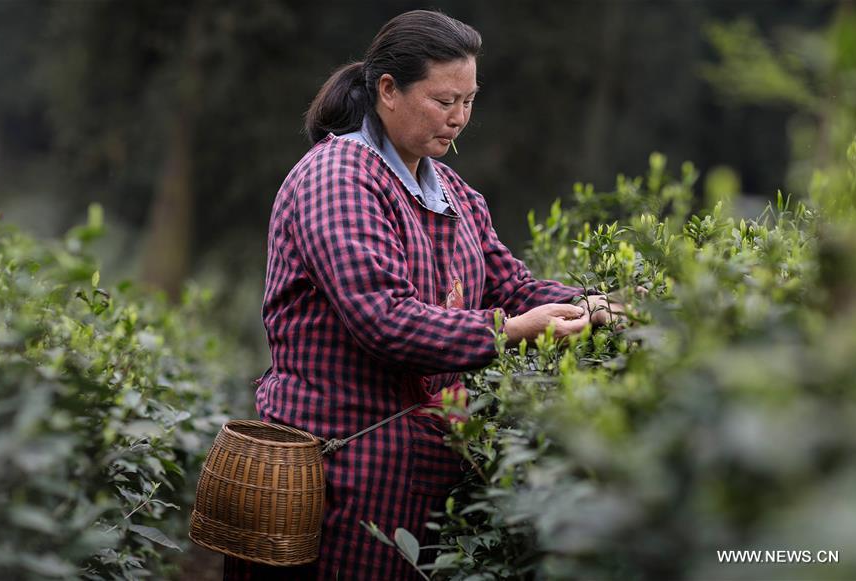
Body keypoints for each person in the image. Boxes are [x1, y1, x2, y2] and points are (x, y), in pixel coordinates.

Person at [224, 9, 622, 581]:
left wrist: (599, 304)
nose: (459, 118)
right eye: (444, 101)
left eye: (469, 100)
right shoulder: (338, 179)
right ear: (388, 90)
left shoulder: (454, 193)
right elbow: (384, 319)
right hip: (333, 469)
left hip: (415, 467)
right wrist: (510, 331)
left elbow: (512, 285)